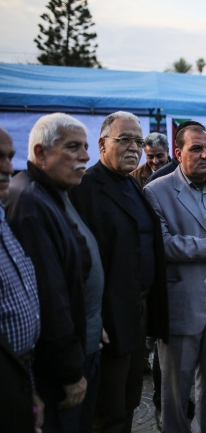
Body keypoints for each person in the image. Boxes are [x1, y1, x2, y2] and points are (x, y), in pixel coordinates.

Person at [69, 111, 169, 433]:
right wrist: (90, 318)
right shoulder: (84, 188)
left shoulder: (133, 184)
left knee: (128, 401)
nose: (134, 147)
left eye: (138, 141)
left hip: (135, 315)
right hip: (106, 320)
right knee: (107, 409)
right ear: (101, 144)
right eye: (124, 139)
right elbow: (75, 262)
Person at [5, 114, 105, 433]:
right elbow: (50, 297)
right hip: (58, 369)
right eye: (73, 147)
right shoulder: (31, 202)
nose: (86, 156)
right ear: (40, 153)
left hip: (80, 342)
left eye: (86, 147)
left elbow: (71, 275)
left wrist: (90, 318)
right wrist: (70, 372)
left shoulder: (54, 191)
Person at [144, 120, 206, 433]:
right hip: (180, 303)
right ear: (178, 153)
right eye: (196, 148)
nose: (205, 154)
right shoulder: (156, 191)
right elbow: (162, 245)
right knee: (176, 390)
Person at [0, 126, 44, 433]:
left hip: (21, 377)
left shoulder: (4, 217)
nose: (6, 166)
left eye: (9, 157)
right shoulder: (26, 200)